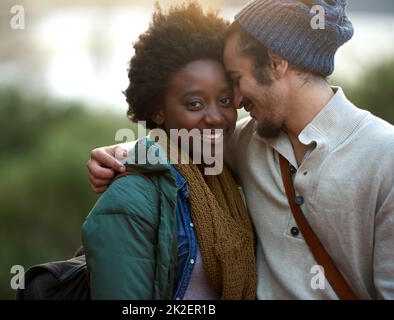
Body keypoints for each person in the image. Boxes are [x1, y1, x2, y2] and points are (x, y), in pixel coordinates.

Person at [88, 0, 394, 299]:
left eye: (236, 80)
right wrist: (123, 151)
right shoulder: (248, 140)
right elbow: (180, 141)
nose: (234, 102)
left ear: (275, 63)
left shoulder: (384, 156)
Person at [82, 2, 256, 300]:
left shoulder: (219, 177)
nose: (216, 117)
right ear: (159, 111)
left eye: (225, 100)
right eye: (195, 104)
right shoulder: (130, 200)